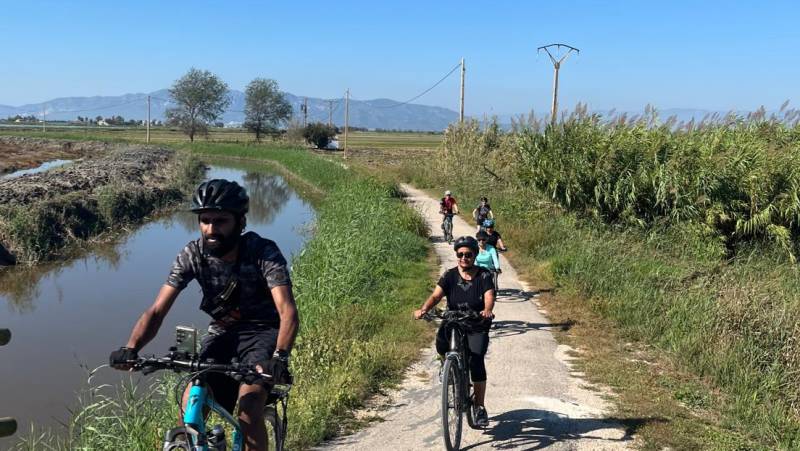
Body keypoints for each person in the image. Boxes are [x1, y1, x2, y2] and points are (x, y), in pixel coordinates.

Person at [109, 179, 299, 451]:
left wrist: (280, 357)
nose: (211, 229)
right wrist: (131, 347)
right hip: (222, 332)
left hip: (263, 332)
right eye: (205, 220)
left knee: (248, 409)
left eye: (220, 221)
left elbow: (287, 310)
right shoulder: (192, 255)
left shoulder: (262, 251)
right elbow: (157, 310)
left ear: (240, 222)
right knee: (192, 400)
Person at [413, 236, 495, 427]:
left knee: (476, 360)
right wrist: (424, 309)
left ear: (474, 255)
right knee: (441, 341)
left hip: (476, 321)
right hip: (454, 319)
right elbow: (436, 295)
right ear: (457, 255)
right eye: (460, 254)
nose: (464, 258)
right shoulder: (449, 275)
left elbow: (489, 296)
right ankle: (447, 365)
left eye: (468, 254)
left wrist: (487, 310)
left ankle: (479, 407)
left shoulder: (484, 275)